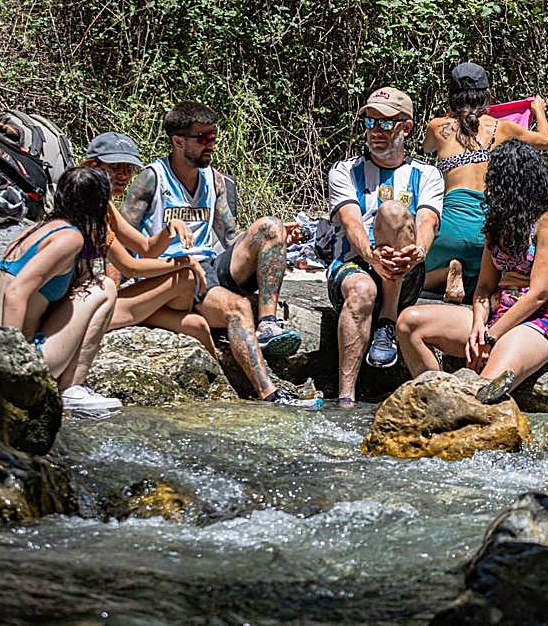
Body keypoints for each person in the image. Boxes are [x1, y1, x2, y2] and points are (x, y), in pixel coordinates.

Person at [121, 102, 312, 407]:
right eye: (203, 138)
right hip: (171, 270)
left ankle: (269, 323)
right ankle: (271, 394)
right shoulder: (151, 179)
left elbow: (232, 236)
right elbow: (123, 238)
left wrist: (274, 240)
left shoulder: (216, 180)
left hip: (209, 266)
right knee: (237, 308)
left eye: (213, 136)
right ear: (178, 141)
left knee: (271, 227)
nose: (211, 144)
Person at [396, 140, 548, 401]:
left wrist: (490, 338)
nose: (488, 187)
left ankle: (457, 411)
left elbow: (539, 293)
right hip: (496, 313)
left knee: (483, 393)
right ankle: (436, 401)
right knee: (408, 323)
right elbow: (483, 287)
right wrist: (478, 326)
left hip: (536, 320)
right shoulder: (498, 224)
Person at [325, 87, 444, 404]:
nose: (375, 131)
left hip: (405, 269)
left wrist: (419, 250)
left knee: (393, 211)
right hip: (355, 267)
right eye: (370, 122)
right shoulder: (344, 170)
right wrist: (371, 257)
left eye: (385, 123)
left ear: (406, 127)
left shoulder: (427, 174)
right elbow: (351, 222)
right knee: (363, 288)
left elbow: (427, 222)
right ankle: (345, 399)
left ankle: (388, 321)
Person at [0, 167, 122, 412]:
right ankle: (72, 388)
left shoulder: (36, 229)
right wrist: (13, 367)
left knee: (89, 282)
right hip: (18, 357)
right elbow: (15, 292)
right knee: (105, 286)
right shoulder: (70, 239)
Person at [423, 62, 548, 302]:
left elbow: (427, 148)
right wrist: (538, 110)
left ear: (450, 96)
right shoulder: (503, 128)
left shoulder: (437, 127)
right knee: (486, 278)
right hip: (488, 232)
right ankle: (470, 278)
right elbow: (546, 140)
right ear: (487, 95)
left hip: (448, 230)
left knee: (415, 278)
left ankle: (444, 273)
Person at [81, 132, 214, 353]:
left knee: (197, 325)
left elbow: (146, 248)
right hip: (80, 303)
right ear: (92, 165)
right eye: (115, 167)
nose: (123, 175)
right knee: (186, 277)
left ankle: (228, 384)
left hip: (95, 296)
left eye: (128, 168)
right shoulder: (87, 201)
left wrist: (170, 229)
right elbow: (130, 268)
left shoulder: (106, 202)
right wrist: (186, 261)